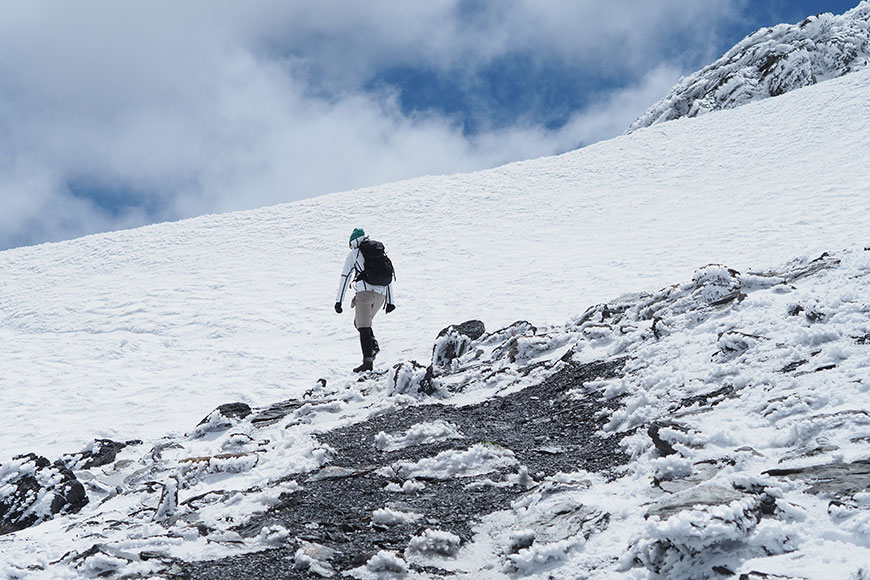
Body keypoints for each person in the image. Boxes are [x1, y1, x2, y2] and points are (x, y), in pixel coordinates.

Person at [334, 228, 396, 372]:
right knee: (361, 324)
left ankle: (367, 364)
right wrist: (391, 301)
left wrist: (339, 302)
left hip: (364, 296)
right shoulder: (379, 252)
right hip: (381, 296)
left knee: (363, 327)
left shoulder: (355, 254)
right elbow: (387, 275)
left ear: (353, 242)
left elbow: (345, 277)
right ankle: (372, 345)